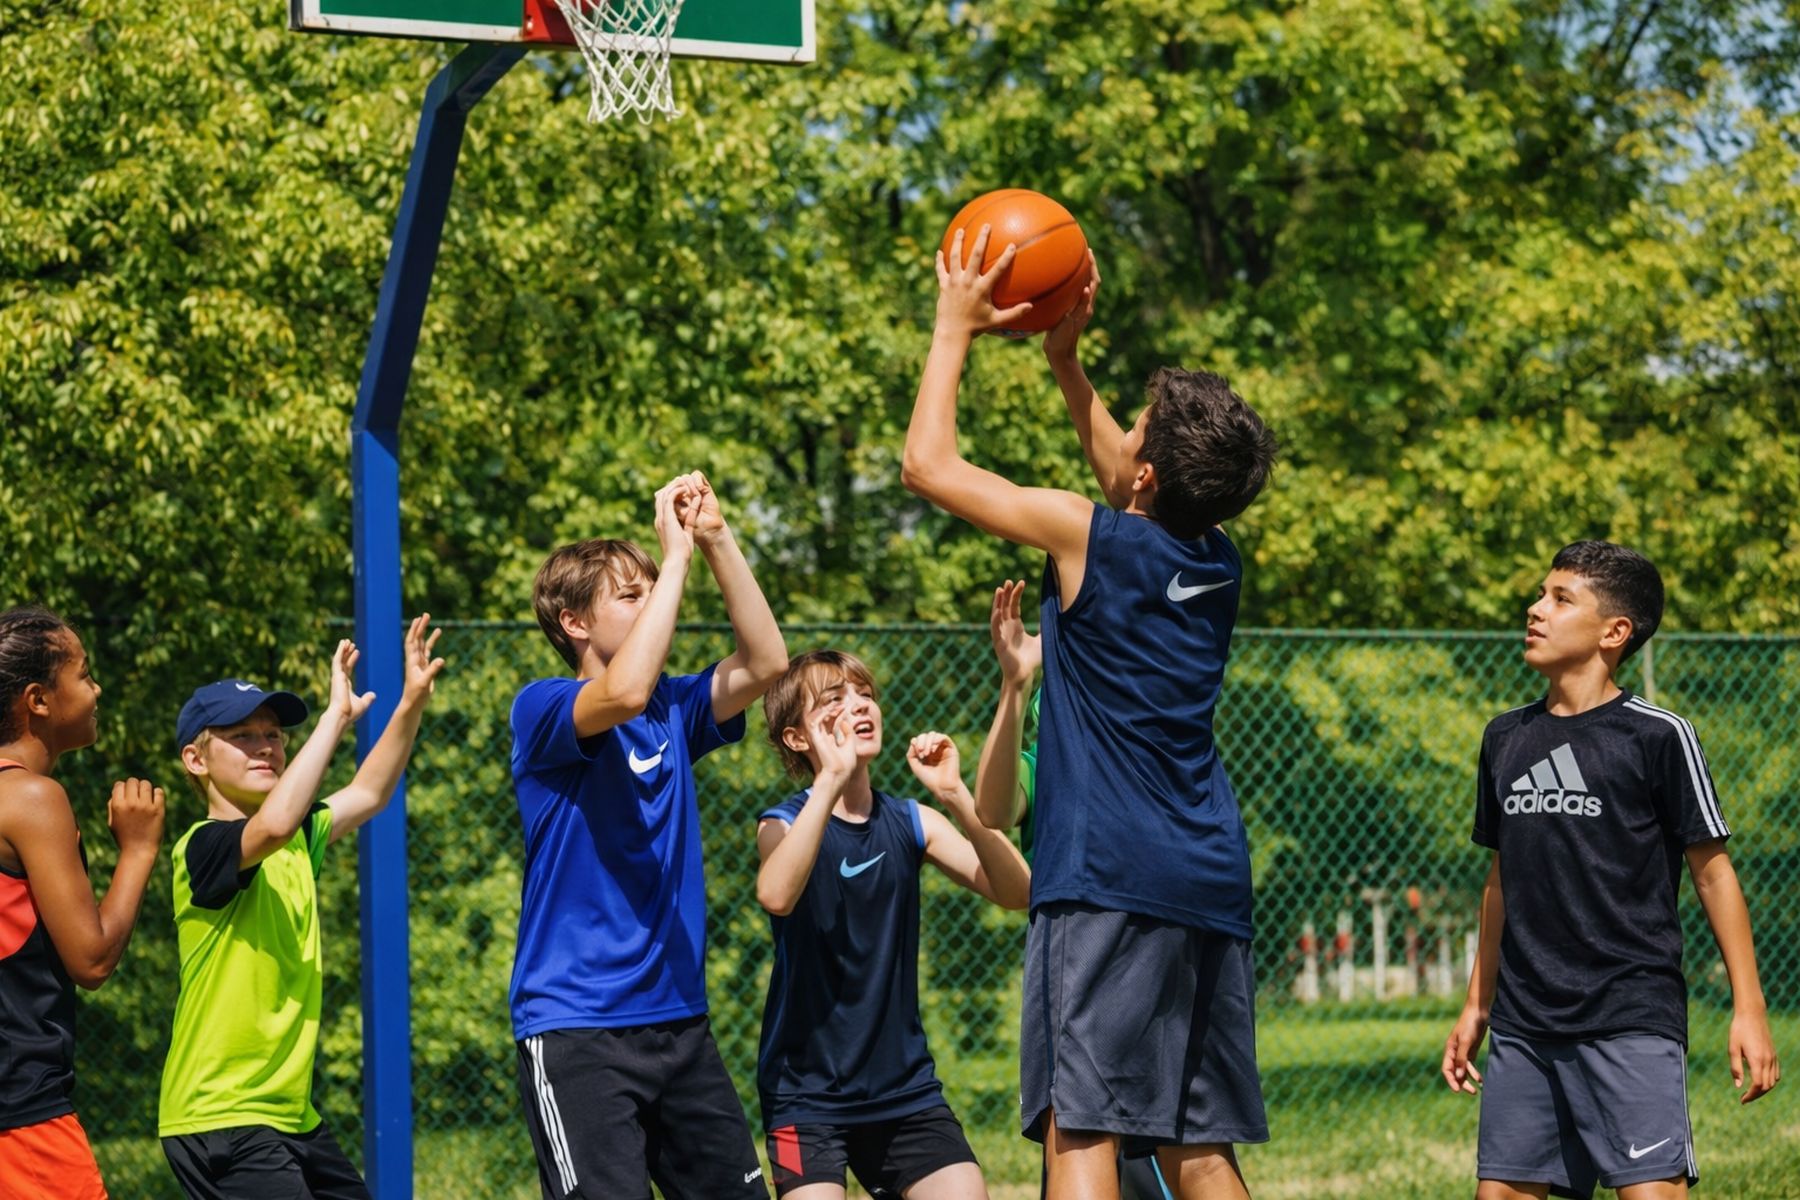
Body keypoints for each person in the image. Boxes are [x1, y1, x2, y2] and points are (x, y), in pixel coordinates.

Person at [903, 235, 1276, 1200]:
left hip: (1107, 871)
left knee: (1084, 1122)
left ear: (1147, 477)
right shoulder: (1220, 561)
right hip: (1205, 870)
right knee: (1200, 1141)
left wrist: (954, 329)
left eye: (1138, 428)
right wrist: (1066, 365)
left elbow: (929, 468)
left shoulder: (1088, 538)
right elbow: (1132, 476)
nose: (1126, 441)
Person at [1442, 541, 1781, 1200]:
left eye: (1560, 598)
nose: (1535, 609)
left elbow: (1713, 873)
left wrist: (1750, 1007)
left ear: (1614, 632)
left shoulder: (1657, 736)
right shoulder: (1505, 738)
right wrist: (1477, 1004)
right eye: (1541, 593)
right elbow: (1501, 878)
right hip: (1526, 1025)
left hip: (1630, 1016)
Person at [509, 473, 787, 1200]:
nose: (655, 600)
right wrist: (674, 561)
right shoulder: (544, 708)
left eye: (650, 590)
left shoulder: (672, 707)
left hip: (678, 1023)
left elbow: (766, 664)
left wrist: (716, 540)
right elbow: (622, 691)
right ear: (574, 622)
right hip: (577, 1030)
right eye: (628, 595)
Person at [157, 616, 445, 1199]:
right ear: (196, 760)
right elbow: (275, 823)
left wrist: (410, 701)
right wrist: (335, 718)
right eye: (241, 736)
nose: (265, 745)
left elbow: (368, 792)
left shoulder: (294, 843)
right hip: (222, 1114)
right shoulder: (203, 848)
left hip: (289, 1116)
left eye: (274, 734)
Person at [754, 648, 1031, 1199]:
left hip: (904, 1091)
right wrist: (830, 780)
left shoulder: (909, 820)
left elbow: (1018, 890)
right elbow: (777, 894)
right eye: (834, 700)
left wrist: (954, 794)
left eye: (865, 694)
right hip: (803, 1097)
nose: (859, 706)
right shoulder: (782, 823)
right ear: (796, 739)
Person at [971, 583, 1173, 1200]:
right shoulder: (1044, 758)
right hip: (1082, 957)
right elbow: (995, 807)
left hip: (1143, 944)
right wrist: (1017, 682)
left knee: (1159, 1157)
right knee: (1079, 1145)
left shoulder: (1143, 730)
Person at [0, 606, 164, 1200]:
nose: (96, 690)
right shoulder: (32, 799)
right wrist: (139, 850)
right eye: (85, 674)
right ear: (39, 700)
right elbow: (91, 962)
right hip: (22, 1120)